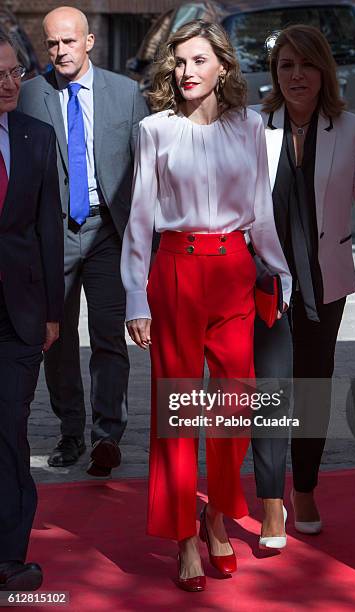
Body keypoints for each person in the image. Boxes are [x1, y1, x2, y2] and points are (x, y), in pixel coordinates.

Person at [121, 20, 291, 591]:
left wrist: (280, 272)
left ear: (222, 64)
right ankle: (184, 539)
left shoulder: (250, 126)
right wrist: (134, 297)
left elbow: (260, 209)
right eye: (180, 63)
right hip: (172, 270)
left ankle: (215, 514)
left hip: (234, 271)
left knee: (233, 407)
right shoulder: (153, 130)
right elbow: (140, 217)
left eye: (198, 60)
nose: (187, 72)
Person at [252, 24, 355, 538]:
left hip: (326, 281)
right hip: (267, 281)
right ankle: (271, 497)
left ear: (323, 72)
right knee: (272, 389)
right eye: (286, 65)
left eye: (306, 65)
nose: (296, 75)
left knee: (312, 387)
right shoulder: (255, 124)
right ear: (275, 72)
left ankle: (306, 487)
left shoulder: (351, 127)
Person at [18, 7, 149, 476]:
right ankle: (71, 431)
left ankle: (107, 437)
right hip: (53, 234)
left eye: (69, 42)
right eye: (52, 44)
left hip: (108, 230)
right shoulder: (30, 96)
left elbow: (144, 166)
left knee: (110, 336)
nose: (60, 52)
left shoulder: (126, 93)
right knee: (57, 336)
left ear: (88, 42)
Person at [0, 32, 64, 590]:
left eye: (15, 72)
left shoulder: (37, 137)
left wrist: (53, 313)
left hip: (17, 314)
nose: (7, 82)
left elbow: (48, 230)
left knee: (9, 432)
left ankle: (9, 557)